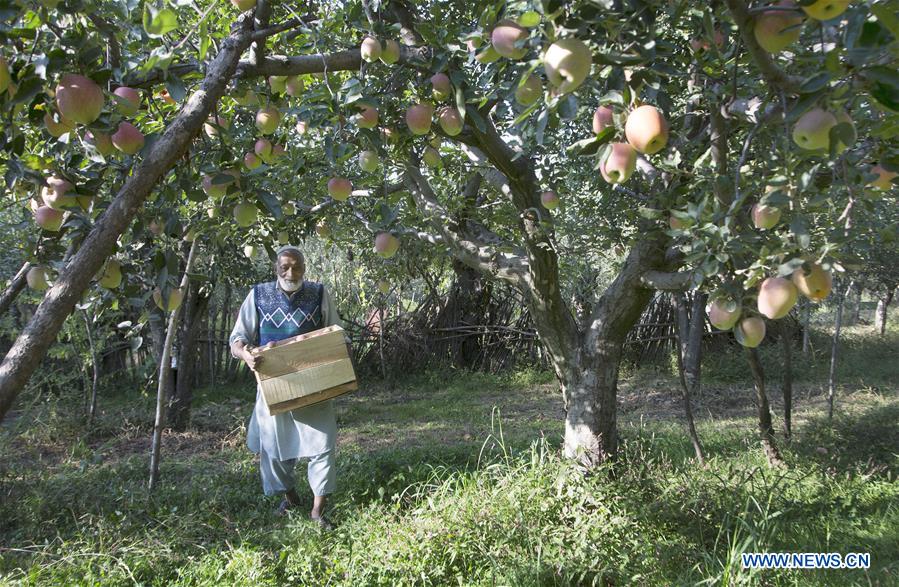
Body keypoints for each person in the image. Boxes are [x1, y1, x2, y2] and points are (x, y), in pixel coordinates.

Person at [229, 245, 345, 529]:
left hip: (314, 382)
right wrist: (246, 355)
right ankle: (291, 497)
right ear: (276, 268)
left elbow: (337, 331)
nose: (290, 272)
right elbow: (237, 339)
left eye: (296, 267)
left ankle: (318, 511)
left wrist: (342, 365)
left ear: (304, 267)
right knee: (273, 447)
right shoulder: (258, 295)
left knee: (322, 444)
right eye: (285, 267)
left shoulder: (319, 294)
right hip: (274, 383)